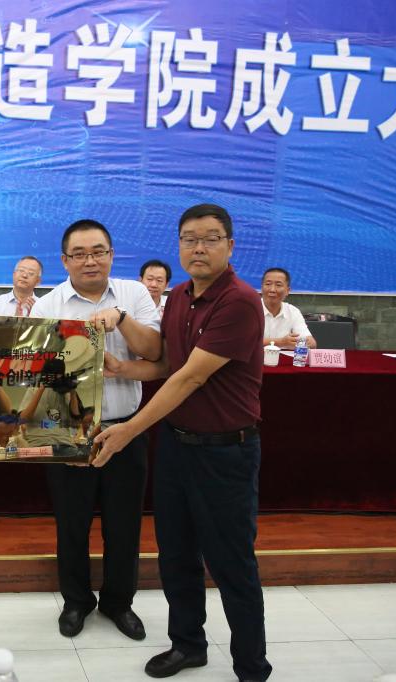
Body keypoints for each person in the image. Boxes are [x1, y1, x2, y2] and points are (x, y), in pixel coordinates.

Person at [97, 204, 272, 682]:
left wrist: (129, 430)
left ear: (230, 246)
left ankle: (252, 667)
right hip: (177, 446)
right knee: (175, 555)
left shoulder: (239, 301)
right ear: (178, 246)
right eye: (189, 239)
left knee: (231, 563)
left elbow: (191, 378)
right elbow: (168, 364)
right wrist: (122, 369)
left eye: (210, 238)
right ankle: (188, 645)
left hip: (225, 452)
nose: (199, 248)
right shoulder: (177, 297)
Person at [30, 219, 161, 641]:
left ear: (111, 255)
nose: (90, 261)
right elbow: (34, 376)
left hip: (126, 429)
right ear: (65, 260)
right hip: (68, 430)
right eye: (80, 254)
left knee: (124, 524)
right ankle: (76, 601)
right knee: (72, 524)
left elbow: (155, 351)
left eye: (99, 251)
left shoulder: (134, 294)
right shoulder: (47, 306)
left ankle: (119, 602)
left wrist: (120, 320)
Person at [261, 267, 316, 349]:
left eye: (278, 285)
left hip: (284, 357)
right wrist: (281, 342)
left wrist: (305, 342)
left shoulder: (293, 311)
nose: (272, 289)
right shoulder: (250, 309)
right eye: (268, 284)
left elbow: (311, 343)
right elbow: (244, 341)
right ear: (262, 288)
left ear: (287, 290)